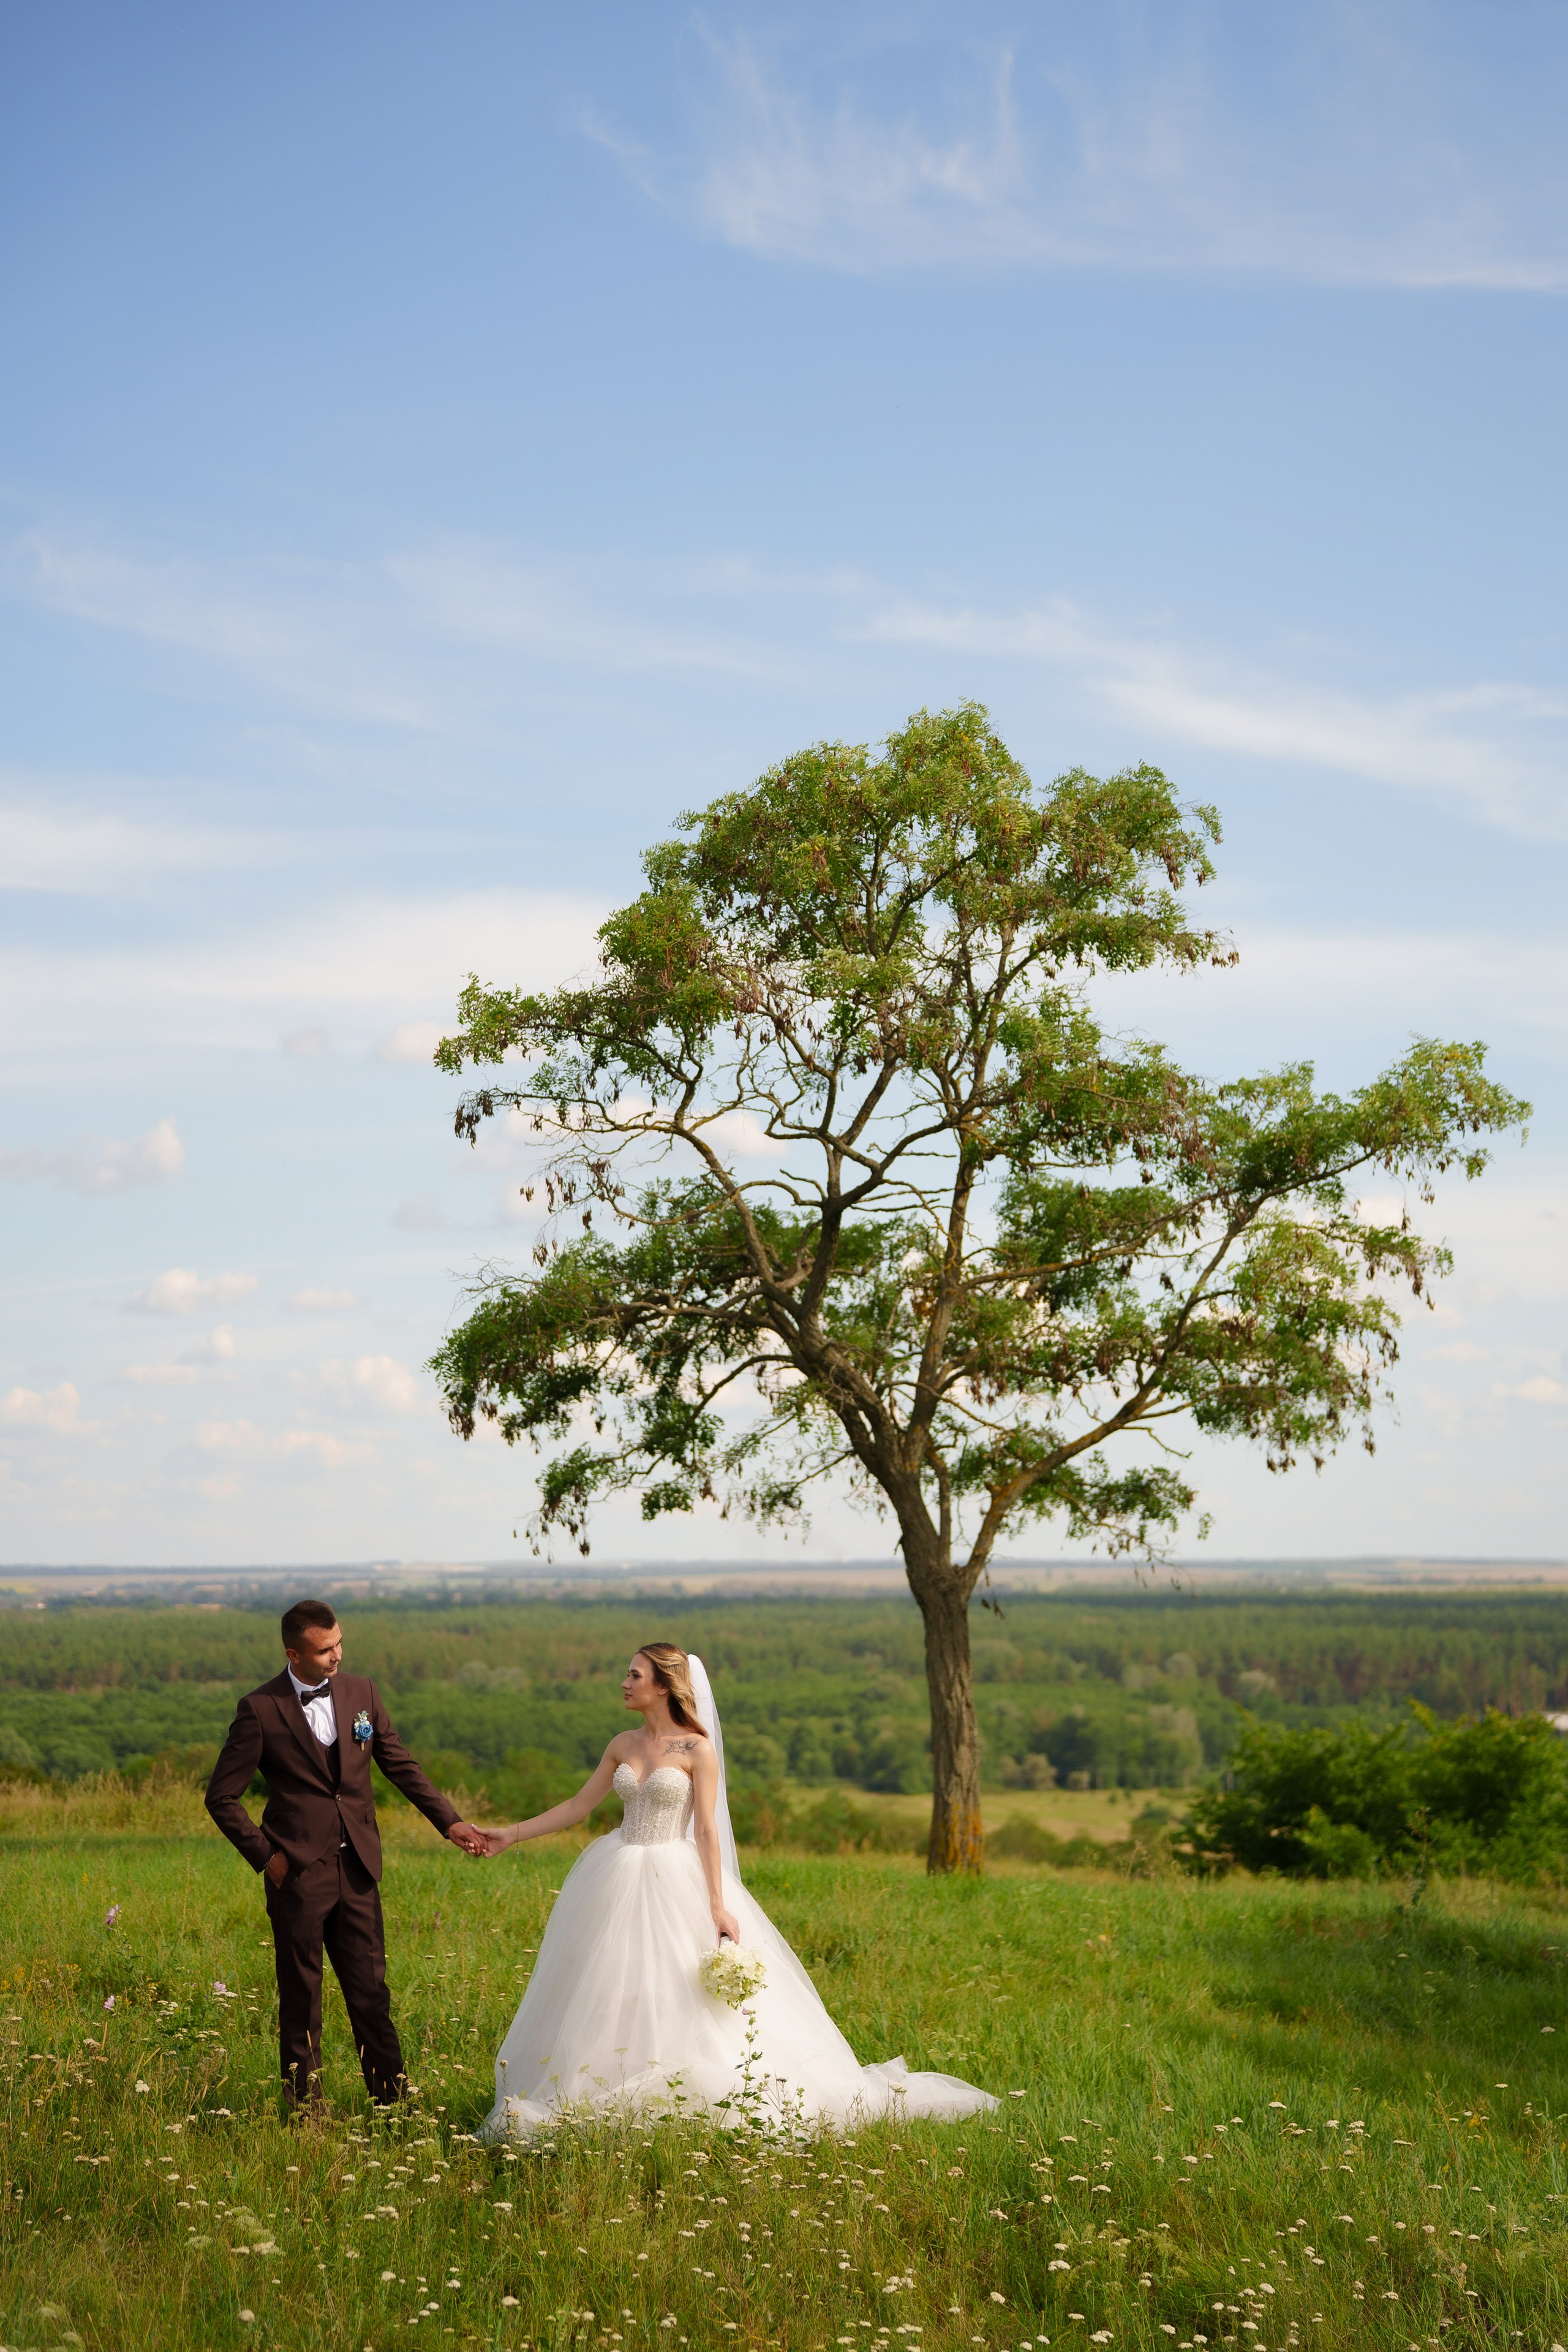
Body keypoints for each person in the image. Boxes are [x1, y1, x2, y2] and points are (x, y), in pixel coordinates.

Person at [476, 1642, 996, 2136]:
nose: (624, 1683)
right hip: (616, 1873)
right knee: (607, 1984)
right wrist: (508, 1835)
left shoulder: (697, 1749)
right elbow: (577, 1807)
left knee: (679, 1988)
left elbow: (704, 1829)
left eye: (634, 1675)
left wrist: (718, 1906)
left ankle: (684, 2087)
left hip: (672, 1876)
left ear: (663, 1686)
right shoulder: (623, 1744)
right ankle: (594, 2085)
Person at [205, 1597, 488, 2111]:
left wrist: (450, 1822)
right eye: (324, 1650)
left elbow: (399, 1763)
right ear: (294, 1654)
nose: (337, 1656)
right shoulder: (261, 1709)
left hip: (358, 1868)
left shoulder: (362, 1692)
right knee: (301, 2000)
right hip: (296, 1874)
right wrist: (269, 1856)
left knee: (370, 1995)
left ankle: (393, 2105)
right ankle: (305, 2114)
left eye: (339, 1644)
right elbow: (220, 1797)